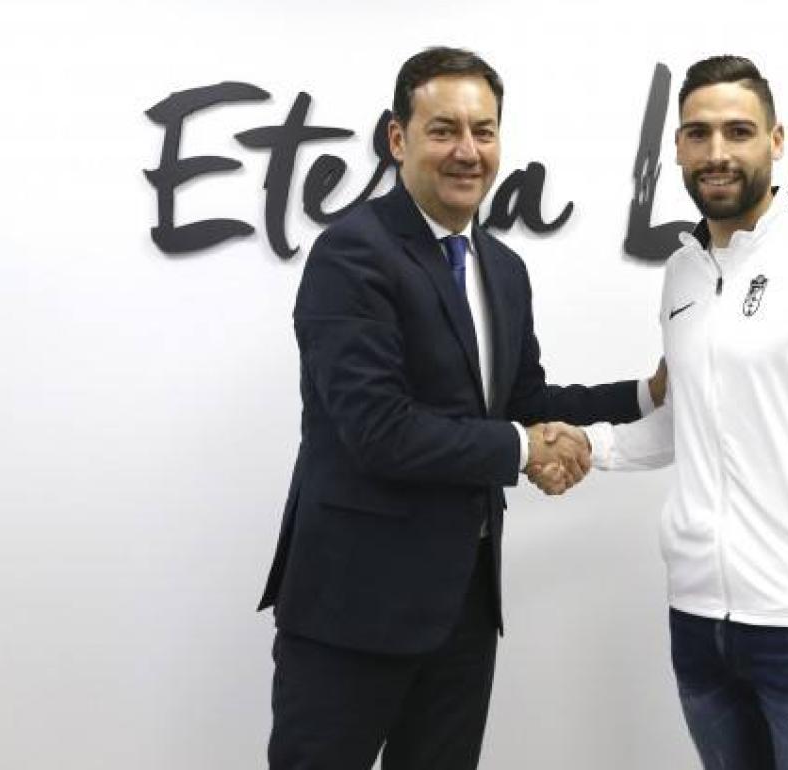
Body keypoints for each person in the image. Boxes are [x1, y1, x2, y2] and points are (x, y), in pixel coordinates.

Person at [257, 46, 663, 770]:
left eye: (484, 130)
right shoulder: (352, 255)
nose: (467, 151)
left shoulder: (503, 268)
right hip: (353, 608)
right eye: (443, 130)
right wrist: (526, 450)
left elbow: (523, 402)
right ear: (398, 138)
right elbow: (379, 431)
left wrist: (646, 394)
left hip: (463, 609)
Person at [547, 55, 788, 769]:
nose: (717, 152)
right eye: (699, 133)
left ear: (776, 141)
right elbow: (687, 420)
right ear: (678, 148)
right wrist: (590, 446)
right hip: (696, 623)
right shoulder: (682, 271)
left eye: (738, 131)